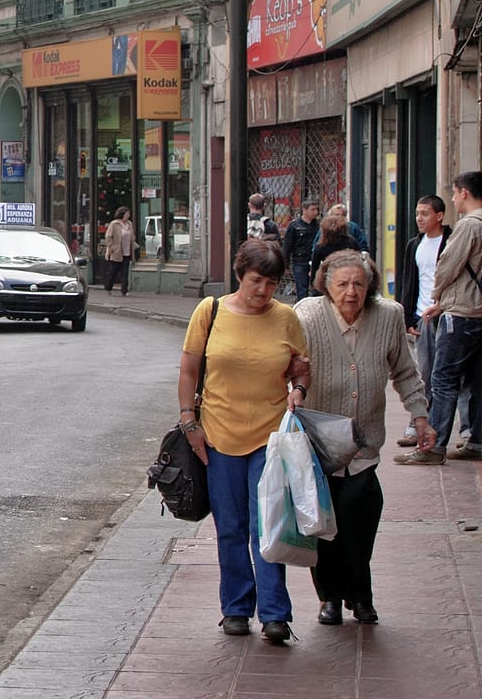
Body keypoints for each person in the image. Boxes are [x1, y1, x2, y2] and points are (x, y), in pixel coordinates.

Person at [178, 238, 309, 644]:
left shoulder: (286, 317)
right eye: (256, 281)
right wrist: (189, 422)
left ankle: (274, 613)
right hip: (218, 435)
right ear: (240, 275)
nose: (263, 291)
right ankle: (235, 608)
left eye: (271, 283)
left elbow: (301, 369)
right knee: (230, 527)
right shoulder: (210, 311)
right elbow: (188, 371)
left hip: (270, 439)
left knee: (267, 525)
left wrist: (299, 390)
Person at [297, 250, 434, 625]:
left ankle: (360, 594)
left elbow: (405, 372)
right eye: (342, 284)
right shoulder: (307, 315)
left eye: (359, 283)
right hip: (320, 445)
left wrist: (420, 419)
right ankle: (330, 597)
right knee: (324, 525)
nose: (351, 292)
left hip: (363, 445)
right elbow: (288, 366)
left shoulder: (388, 315)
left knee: (360, 518)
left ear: (369, 285)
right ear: (327, 286)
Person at [400, 170, 482, 465]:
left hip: (461, 313)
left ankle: (432, 447)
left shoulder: (469, 225)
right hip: (478, 312)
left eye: (455, 193)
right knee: (477, 381)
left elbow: (448, 265)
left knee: (443, 379)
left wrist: (437, 298)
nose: (454, 199)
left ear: (464, 193)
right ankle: (477, 440)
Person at [398, 195, 457, 448]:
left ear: (439, 216)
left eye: (425, 214)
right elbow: (408, 280)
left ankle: (467, 431)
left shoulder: (452, 242)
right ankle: (417, 424)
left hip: (449, 315)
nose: (419, 218)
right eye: (417, 214)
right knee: (424, 374)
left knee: (450, 376)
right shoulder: (415, 244)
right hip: (423, 318)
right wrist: (408, 317)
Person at [284, 201, 321, 301]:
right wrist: (285, 264)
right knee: (302, 288)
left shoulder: (318, 226)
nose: (315, 212)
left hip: (314, 260)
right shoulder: (294, 225)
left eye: (316, 209)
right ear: (304, 210)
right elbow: (287, 245)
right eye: (312, 209)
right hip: (300, 260)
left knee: (317, 288)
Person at [309, 212, 359, 287]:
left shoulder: (321, 246)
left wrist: (313, 284)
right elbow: (359, 259)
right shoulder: (351, 241)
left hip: (329, 277)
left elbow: (315, 267)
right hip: (349, 274)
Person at [103, 207, 134, 295]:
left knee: (125, 272)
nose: (128, 216)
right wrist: (112, 247)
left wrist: (133, 245)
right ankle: (108, 287)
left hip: (127, 251)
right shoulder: (114, 224)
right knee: (113, 271)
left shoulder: (129, 224)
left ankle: (124, 290)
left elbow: (132, 236)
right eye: (127, 214)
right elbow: (108, 236)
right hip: (117, 252)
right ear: (122, 214)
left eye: (129, 214)